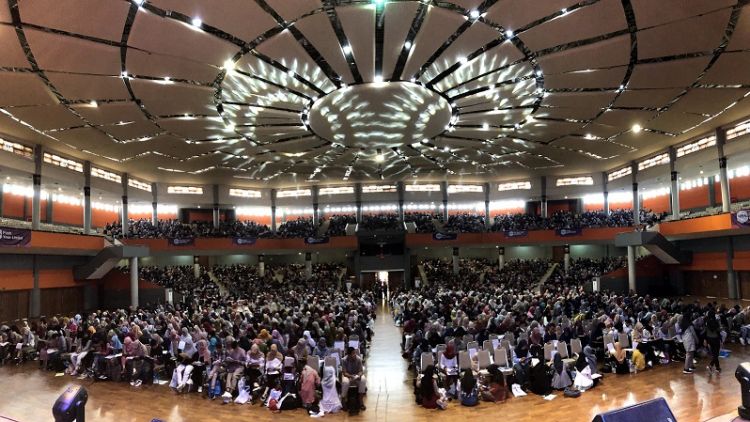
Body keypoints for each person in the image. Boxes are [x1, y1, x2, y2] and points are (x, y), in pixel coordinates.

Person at [341, 347, 366, 411]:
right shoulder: (344, 360)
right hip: (348, 376)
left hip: (356, 376)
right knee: (345, 382)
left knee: (363, 379)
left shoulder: (359, 359)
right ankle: (343, 400)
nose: (354, 354)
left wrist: (359, 375)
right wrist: (351, 376)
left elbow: (360, 370)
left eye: (354, 353)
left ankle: (361, 401)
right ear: (348, 355)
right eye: (353, 353)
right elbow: (344, 372)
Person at [705, 310, 722, 374]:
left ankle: (717, 368)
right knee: (716, 354)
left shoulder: (706, 322)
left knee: (714, 353)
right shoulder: (716, 321)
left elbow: (705, 330)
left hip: (709, 339)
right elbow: (719, 330)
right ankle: (710, 365)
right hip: (715, 339)